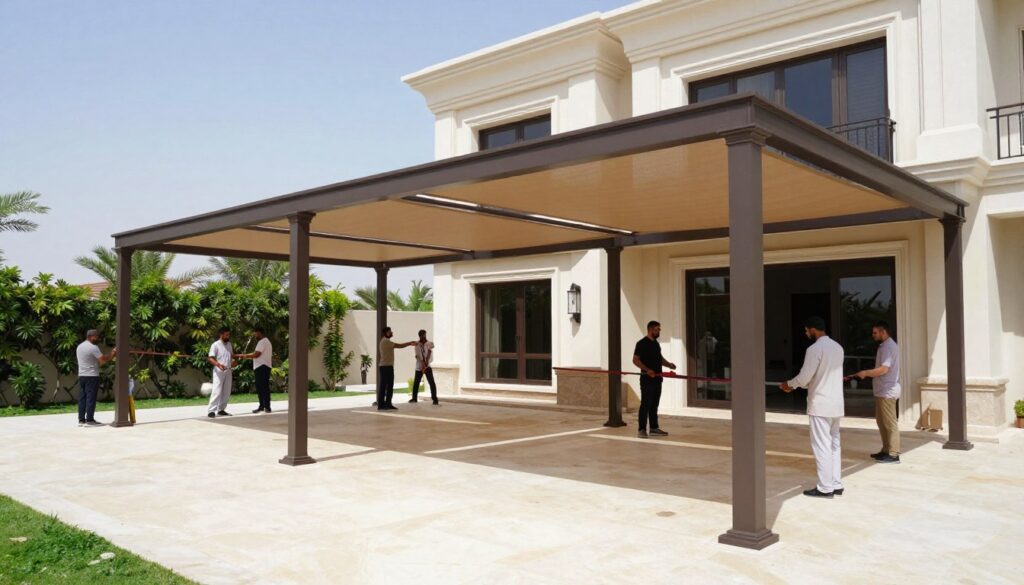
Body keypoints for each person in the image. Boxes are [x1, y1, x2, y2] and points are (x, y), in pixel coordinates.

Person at [781, 316, 846, 498]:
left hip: (820, 403)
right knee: (834, 444)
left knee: (821, 445)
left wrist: (789, 384)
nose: (806, 333)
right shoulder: (838, 348)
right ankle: (836, 483)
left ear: (813, 330)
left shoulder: (814, 349)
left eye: (806, 330)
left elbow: (805, 377)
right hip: (836, 403)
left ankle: (825, 487)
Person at [855, 321, 901, 463]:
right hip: (882, 391)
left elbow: (883, 369)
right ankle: (886, 450)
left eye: (875, 332)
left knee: (889, 423)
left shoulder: (889, 347)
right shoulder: (885, 346)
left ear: (883, 332)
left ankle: (894, 454)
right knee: (882, 422)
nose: (873, 335)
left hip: (887, 391)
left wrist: (866, 373)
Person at [632, 320, 676, 439]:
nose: (659, 331)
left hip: (657, 378)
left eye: (659, 329)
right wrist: (647, 370)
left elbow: (660, 359)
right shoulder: (641, 343)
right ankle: (641, 429)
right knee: (646, 404)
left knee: (654, 404)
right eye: (657, 329)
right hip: (647, 379)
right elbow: (635, 360)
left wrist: (669, 364)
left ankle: (653, 428)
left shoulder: (656, 344)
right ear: (651, 329)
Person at [76, 329, 116, 427]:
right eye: (96, 336)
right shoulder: (93, 347)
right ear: (91, 336)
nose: (98, 338)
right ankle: (90, 420)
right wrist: (113, 353)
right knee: (91, 398)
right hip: (91, 376)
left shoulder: (80, 346)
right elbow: (103, 360)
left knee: (83, 397)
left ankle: (81, 420)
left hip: (82, 375)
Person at [378, 327, 414, 411]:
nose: (392, 332)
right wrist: (409, 343)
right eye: (390, 332)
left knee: (390, 386)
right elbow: (399, 346)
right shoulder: (385, 341)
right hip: (385, 367)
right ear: (386, 333)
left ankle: (388, 404)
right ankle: (381, 405)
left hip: (388, 366)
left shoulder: (386, 341)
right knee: (384, 386)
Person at [239, 327, 273, 414]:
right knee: (262, 387)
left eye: (255, 333)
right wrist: (245, 355)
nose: (254, 335)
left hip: (262, 367)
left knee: (263, 387)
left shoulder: (262, 341)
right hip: (263, 367)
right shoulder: (265, 341)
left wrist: (245, 356)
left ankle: (266, 407)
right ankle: (263, 406)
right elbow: (256, 354)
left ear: (259, 332)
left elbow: (256, 354)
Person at [207, 327, 238, 418]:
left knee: (226, 391)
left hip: (228, 370)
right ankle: (211, 411)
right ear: (221, 335)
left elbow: (230, 356)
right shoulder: (215, 345)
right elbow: (210, 358)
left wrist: (234, 363)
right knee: (217, 390)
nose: (228, 336)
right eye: (226, 334)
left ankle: (221, 409)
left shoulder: (229, 344)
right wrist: (218, 365)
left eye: (229, 334)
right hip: (218, 371)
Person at [409, 329, 438, 405]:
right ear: (419, 336)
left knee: (431, 382)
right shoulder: (417, 345)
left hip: (427, 366)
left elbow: (432, 346)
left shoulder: (428, 343)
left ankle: (435, 398)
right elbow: (418, 355)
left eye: (425, 335)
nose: (424, 336)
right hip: (419, 366)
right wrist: (423, 364)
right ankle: (414, 398)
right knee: (416, 383)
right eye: (422, 335)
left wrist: (426, 362)